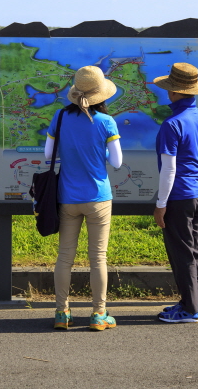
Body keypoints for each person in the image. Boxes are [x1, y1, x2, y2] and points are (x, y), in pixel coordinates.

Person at [44, 65, 122, 331]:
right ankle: (99, 315)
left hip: (67, 197)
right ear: (101, 94)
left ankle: (61, 313)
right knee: (98, 258)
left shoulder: (61, 117)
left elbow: (47, 155)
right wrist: (98, 154)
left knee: (65, 257)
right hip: (98, 197)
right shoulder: (106, 122)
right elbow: (118, 162)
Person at [152, 63, 198, 324]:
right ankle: (192, 304)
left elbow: (169, 169)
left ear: (174, 92)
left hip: (179, 197)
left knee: (182, 255)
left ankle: (189, 311)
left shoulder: (172, 124)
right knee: (194, 251)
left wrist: (160, 204)